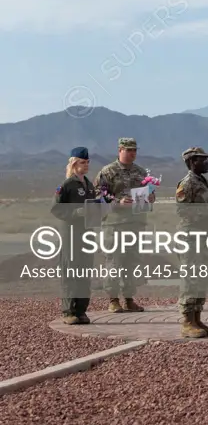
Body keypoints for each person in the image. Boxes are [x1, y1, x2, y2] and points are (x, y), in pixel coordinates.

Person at [93, 137, 154, 313]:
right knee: (114, 261)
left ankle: (129, 298)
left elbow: (149, 193)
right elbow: (99, 194)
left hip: (135, 224)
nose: (132, 153)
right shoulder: (108, 171)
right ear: (120, 150)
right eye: (129, 150)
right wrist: (118, 201)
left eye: (135, 150)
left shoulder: (141, 172)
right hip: (115, 224)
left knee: (132, 262)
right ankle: (113, 299)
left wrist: (150, 197)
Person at [175, 146, 208, 339]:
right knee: (191, 276)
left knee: (201, 277)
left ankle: (197, 318)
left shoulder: (204, 182)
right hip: (190, 237)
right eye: (203, 159)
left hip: (204, 236)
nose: (206, 162)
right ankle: (187, 321)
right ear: (192, 162)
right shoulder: (187, 184)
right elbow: (183, 211)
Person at [52, 147, 97, 325]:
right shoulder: (66, 185)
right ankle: (69, 311)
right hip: (71, 234)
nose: (85, 166)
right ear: (74, 163)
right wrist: (76, 212)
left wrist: (101, 211)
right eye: (82, 162)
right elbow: (56, 209)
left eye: (87, 163)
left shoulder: (89, 185)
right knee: (70, 271)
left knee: (85, 271)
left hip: (87, 235)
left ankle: (81, 310)